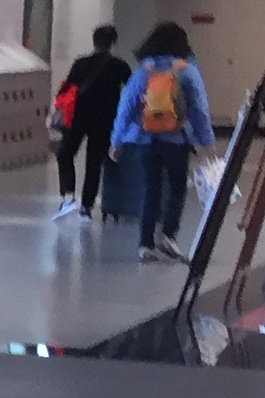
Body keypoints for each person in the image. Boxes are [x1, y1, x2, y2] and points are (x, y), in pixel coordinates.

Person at [112, 21, 215, 264]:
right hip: (177, 140)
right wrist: (207, 142)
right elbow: (199, 110)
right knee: (178, 188)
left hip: (146, 140)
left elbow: (126, 106)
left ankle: (145, 245)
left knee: (151, 190)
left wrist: (116, 140)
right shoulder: (186, 70)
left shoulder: (144, 71)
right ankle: (168, 235)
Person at [51, 24, 129, 222]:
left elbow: (66, 89)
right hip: (105, 119)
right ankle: (86, 207)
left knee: (65, 154)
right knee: (94, 163)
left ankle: (68, 195)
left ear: (94, 41)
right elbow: (131, 91)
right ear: (113, 43)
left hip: (78, 117)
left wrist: (58, 109)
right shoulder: (119, 66)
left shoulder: (81, 63)